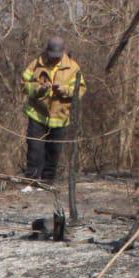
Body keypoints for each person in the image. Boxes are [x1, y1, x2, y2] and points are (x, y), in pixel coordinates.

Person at [20, 36, 85, 189]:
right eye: (51, 55)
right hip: (37, 114)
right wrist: (39, 89)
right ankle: (32, 182)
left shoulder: (73, 68)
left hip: (60, 116)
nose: (54, 59)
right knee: (35, 149)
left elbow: (80, 90)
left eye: (57, 56)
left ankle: (47, 182)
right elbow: (24, 84)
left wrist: (65, 90)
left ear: (63, 52)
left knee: (54, 151)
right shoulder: (37, 63)